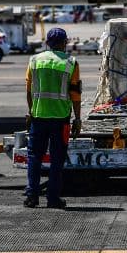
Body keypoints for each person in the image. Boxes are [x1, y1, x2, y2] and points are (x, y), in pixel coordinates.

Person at [24, 27, 82, 209]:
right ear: (65, 43)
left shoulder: (34, 61)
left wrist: (31, 111)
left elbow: (29, 90)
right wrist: (78, 119)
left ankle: (32, 196)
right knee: (57, 159)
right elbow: (75, 95)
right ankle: (53, 198)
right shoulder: (71, 63)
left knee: (34, 157)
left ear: (47, 43)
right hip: (60, 118)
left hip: (38, 116)